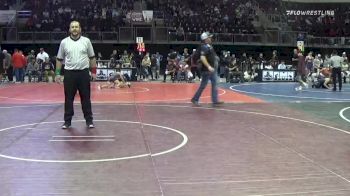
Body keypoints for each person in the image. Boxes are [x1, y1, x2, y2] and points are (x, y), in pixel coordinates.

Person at [55, 21, 97, 129]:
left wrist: (94, 72)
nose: (74, 29)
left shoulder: (86, 41)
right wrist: (57, 74)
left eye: (76, 27)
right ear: (69, 29)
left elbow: (92, 57)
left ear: (80, 29)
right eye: (72, 27)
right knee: (68, 98)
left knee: (86, 98)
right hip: (69, 74)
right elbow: (59, 59)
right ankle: (67, 121)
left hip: (83, 73)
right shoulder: (64, 42)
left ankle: (89, 120)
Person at [191, 32, 224, 106]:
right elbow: (202, 57)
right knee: (203, 85)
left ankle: (215, 101)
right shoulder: (204, 47)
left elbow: (211, 55)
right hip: (207, 70)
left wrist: (215, 58)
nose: (211, 38)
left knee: (214, 84)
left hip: (212, 70)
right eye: (209, 37)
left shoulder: (209, 46)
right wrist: (209, 66)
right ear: (205, 39)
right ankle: (195, 99)